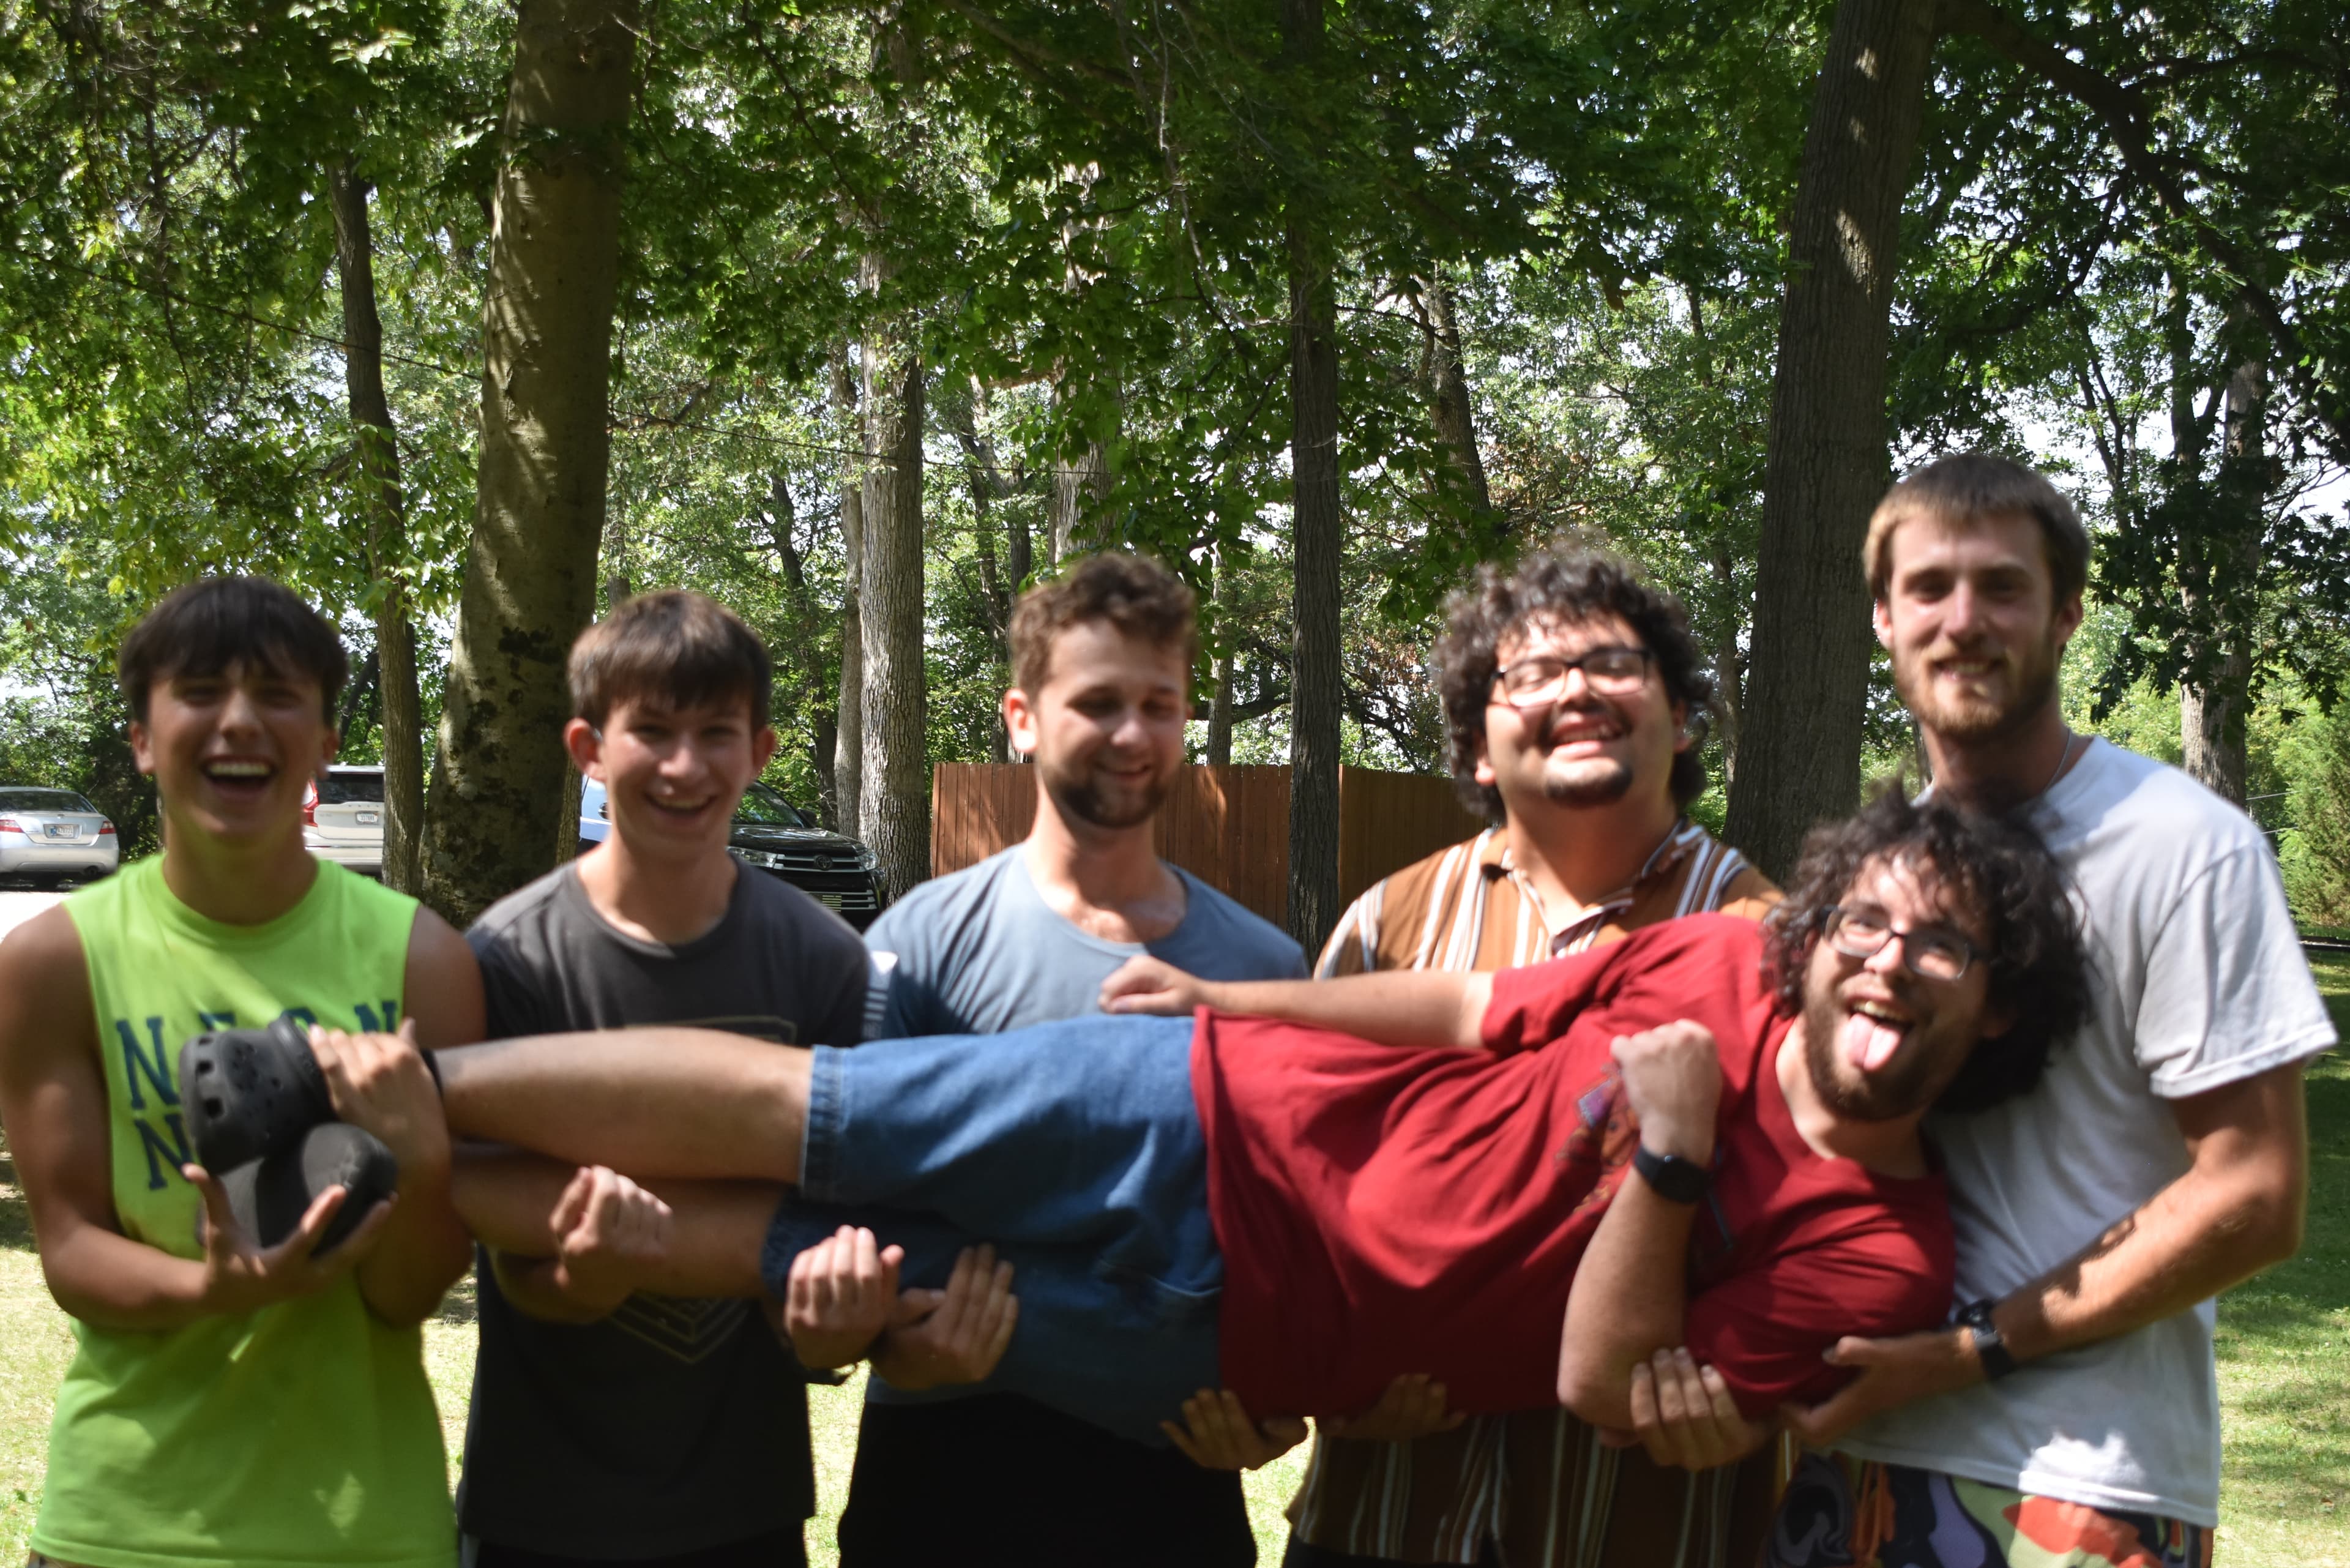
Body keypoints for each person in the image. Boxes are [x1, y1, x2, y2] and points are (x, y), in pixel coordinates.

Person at [307, 791, 2084, 1463]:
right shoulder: (1713, 958)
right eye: (1872, 918)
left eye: (1948, 945)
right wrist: (1239, 1004)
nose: (1890, 958)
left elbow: (1614, 1386)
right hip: (1207, 1108)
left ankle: (399, 1157)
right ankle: (360, 1095)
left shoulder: (1885, 1251)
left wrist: (1679, 1166)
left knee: (777, 1238)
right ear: (1824, 921)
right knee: (811, 1117)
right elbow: (1475, 1007)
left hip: (1235, 1340)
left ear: (1992, 1010)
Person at [1644, 455, 2335, 1568]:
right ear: (1882, 618)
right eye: (1929, 588)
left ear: (2067, 613)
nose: (1963, 620)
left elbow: (2256, 1193)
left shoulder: (2182, 846)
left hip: (2075, 1479)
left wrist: (1973, 1350)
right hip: (1849, 1454)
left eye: (2002, 587)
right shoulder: (1889, 874)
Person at [1291, 542, 1783, 1568]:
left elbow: (1823, 1221)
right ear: (1479, 747)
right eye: (1530, 674)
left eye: (1615, 664)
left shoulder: (1774, 945)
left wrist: (1751, 1392)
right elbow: (1293, 1189)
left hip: (1647, 1524)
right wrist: (1328, 1371)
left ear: (1681, 717)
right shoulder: (1388, 927)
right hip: (1385, 1518)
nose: (1577, 690)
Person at [829, 551, 1309, 1567]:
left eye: (1159, 703)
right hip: (943, 1477)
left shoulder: (1264, 970)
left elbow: (1286, 1246)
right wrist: (890, 1340)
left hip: (1169, 1484)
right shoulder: (920, 941)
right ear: (1023, 718)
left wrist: (1278, 1406)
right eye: (1097, 702)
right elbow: (845, 1218)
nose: (1133, 734)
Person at [0, 577, 476, 1568]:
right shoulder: (51, 963)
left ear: (328, 736)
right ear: (141, 735)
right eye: (201, 690)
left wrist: (426, 1166)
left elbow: (407, 1294)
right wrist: (221, 1286)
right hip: (126, 1530)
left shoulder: (422, 960)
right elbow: (71, 1248)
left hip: (366, 1534)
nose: (240, 720)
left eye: (278, 692)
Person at [439, 590, 889, 1568]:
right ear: (588, 749)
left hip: (745, 1505)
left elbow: (825, 1249)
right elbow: (493, 1227)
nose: (685, 765)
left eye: (716, 732)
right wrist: (578, 1278)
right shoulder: (511, 958)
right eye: (651, 730)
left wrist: (835, 1326)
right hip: (536, 1504)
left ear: (762, 752)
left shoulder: (823, 962)